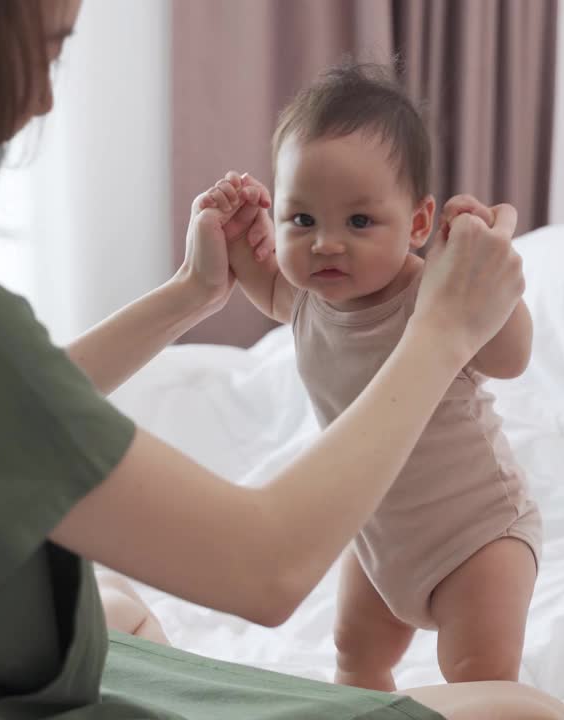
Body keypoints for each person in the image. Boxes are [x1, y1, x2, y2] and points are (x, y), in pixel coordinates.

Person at [0, 2, 564, 718]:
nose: (43, 103)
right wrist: (443, 332)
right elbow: (265, 569)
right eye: (46, 52)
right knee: (531, 716)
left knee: (115, 606)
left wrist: (192, 295)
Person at [202, 62, 541, 692]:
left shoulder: (436, 293)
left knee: (477, 678)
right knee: (355, 656)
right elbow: (251, 267)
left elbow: (511, 357)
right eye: (302, 221)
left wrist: (487, 270)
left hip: (477, 535)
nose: (326, 244)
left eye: (359, 222)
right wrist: (228, 220)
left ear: (417, 224)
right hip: (379, 536)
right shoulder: (300, 297)